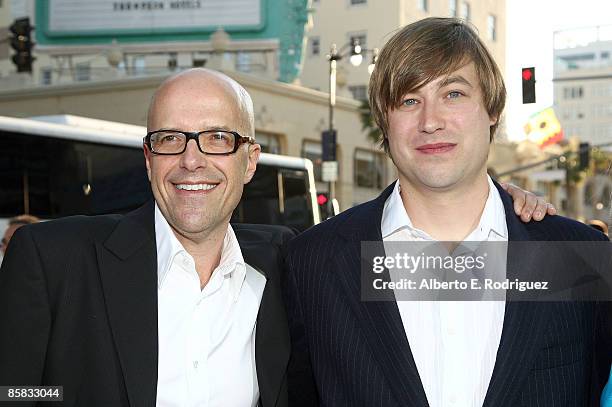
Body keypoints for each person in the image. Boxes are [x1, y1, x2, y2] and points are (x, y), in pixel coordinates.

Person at [284, 17, 611, 407]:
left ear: (491, 109)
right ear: (384, 123)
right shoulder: (312, 263)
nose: (431, 121)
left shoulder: (578, 257)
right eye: (408, 100)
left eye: (453, 94)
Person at [0, 69, 292, 407]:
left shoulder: (283, 264)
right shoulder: (52, 260)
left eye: (217, 137)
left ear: (251, 161)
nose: (191, 160)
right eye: (170, 138)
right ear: (149, 160)